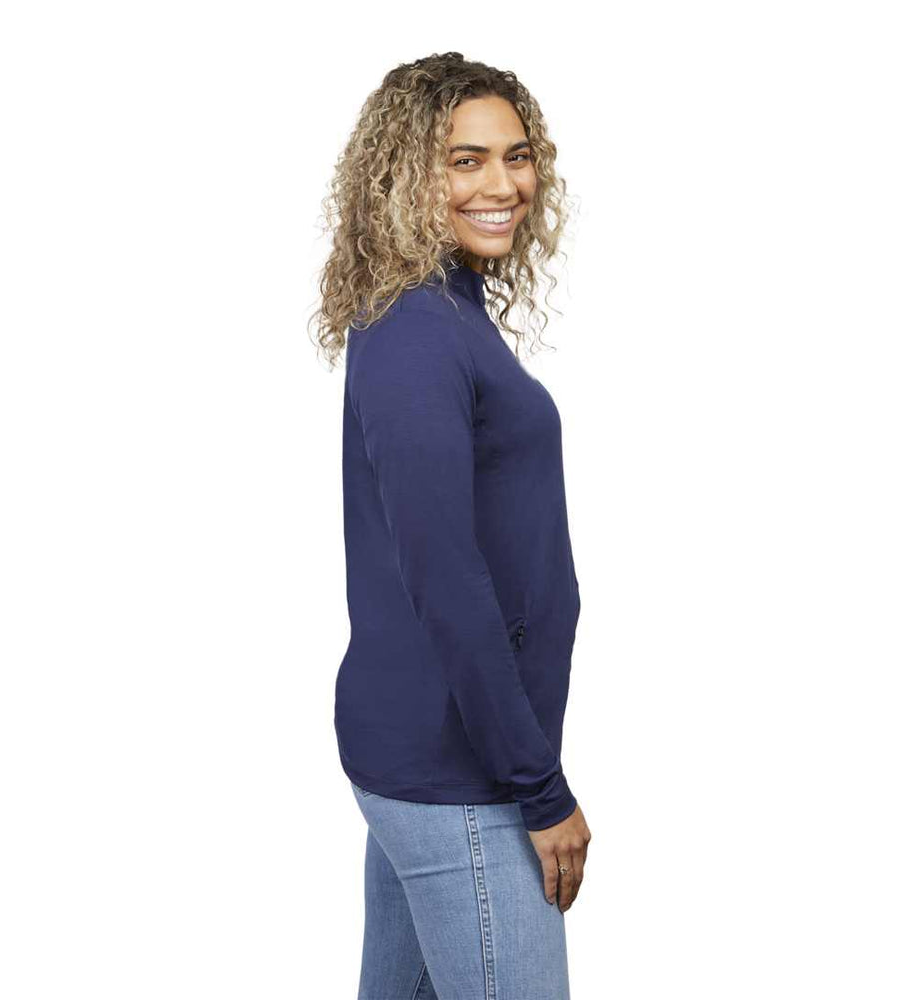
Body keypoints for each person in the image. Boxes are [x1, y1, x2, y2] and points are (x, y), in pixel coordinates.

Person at [309, 52, 592, 1000]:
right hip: (460, 775)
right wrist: (539, 789)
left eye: (516, 156)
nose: (501, 185)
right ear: (404, 175)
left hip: (443, 755)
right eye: (464, 161)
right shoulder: (418, 333)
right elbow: (444, 576)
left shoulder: (439, 308)